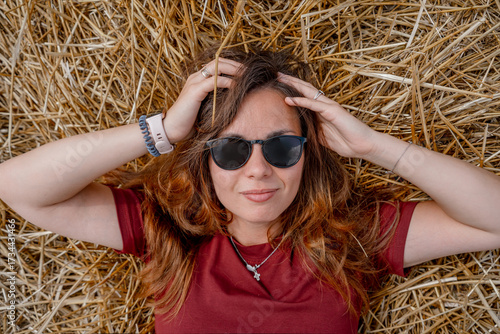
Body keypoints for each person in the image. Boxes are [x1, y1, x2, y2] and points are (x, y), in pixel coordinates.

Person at [1, 45, 499, 334]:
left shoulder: (354, 236)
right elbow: (18, 186)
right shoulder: (166, 233)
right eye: (231, 150)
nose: (257, 169)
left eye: (281, 147)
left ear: (308, 150)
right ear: (205, 161)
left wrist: (375, 148)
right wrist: (162, 132)